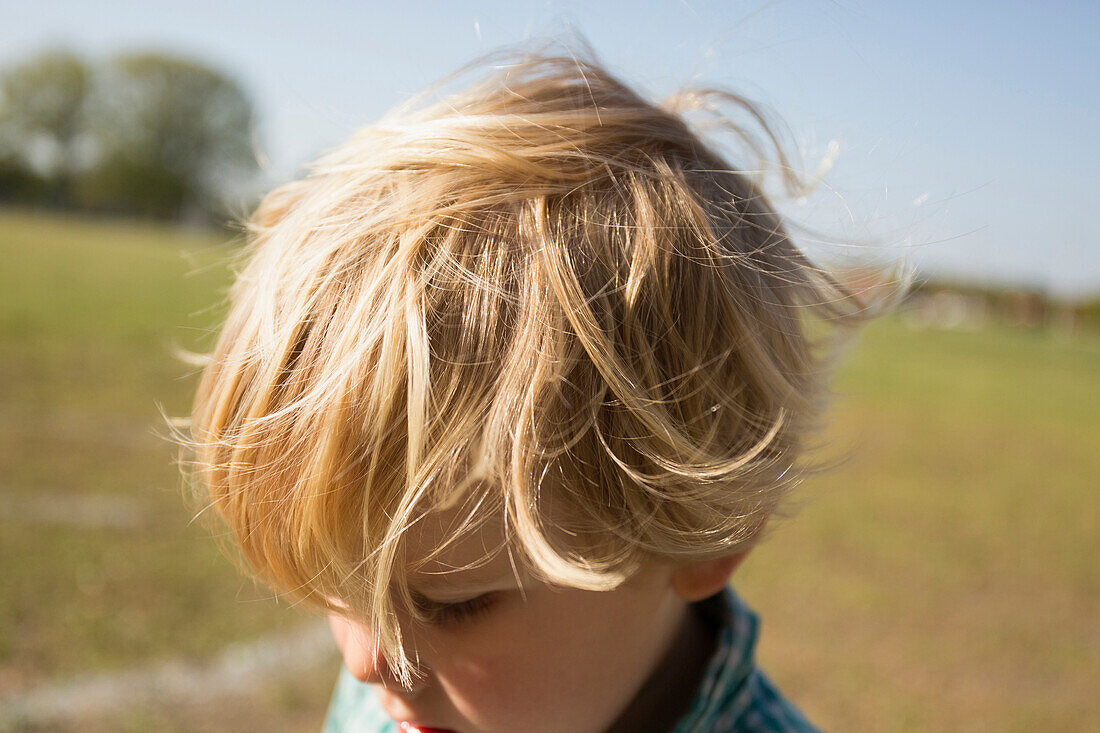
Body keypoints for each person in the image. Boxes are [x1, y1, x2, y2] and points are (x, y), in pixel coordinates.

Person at [187, 45, 881, 732]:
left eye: (451, 604)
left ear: (706, 544)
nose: (367, 662)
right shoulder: (395, 702)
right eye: (337, 590)